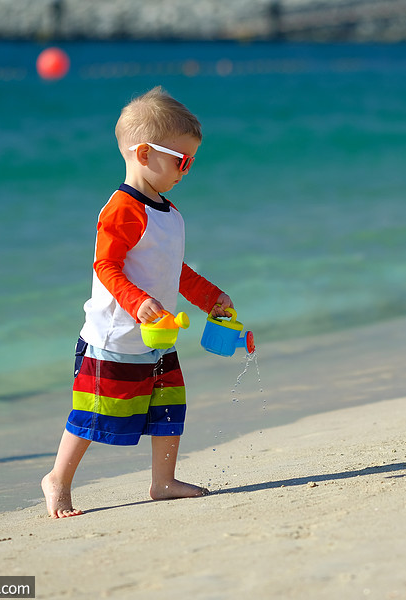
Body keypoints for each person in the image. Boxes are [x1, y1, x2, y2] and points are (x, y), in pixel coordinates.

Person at [42, 86, 234, 518]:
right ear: (144, 154)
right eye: (181, 161)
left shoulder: (169, 212)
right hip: (116, 336)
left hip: (159, 335)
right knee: (95, 410)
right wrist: (136, 301)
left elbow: (175, 271)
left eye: (192, 162)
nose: (187, 170)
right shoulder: (122, 209)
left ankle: (162, 481)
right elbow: (105, 266)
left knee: (170, 407)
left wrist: (210, 298)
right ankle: (58, 479)